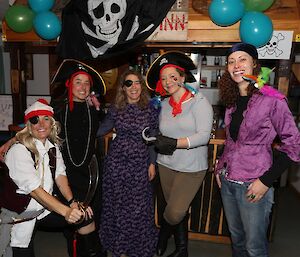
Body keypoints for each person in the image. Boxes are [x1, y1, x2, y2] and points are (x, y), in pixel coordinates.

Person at [0, 59, 107, 257]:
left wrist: (74, 201)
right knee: (68, 230)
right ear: (69, 84)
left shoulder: (94, 111)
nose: (82, 87)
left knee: (88, 220)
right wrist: (12, 140)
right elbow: (34, 124)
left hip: (83, 175)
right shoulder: (56, 109)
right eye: (78, 82)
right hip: (56, 184)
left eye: (86, 83)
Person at [215, 42, 300, 257]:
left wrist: (266, 181)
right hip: (228, 182)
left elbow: (294, 145)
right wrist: (220, 167)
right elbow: (232, 142)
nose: (236, 65)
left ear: (254, 64)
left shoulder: (272, 101)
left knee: (254, 248)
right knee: (237, 241)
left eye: (242, 59)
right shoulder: (231, 101)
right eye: (231, 61)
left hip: (254, 184)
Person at [145, 51, 214, 257]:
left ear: (183, 78)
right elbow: (159, 132)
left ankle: (163, 236)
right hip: (166, 165)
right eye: (164, 79)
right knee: (177, 210)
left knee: (174, 212)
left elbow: (204, 136)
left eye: (173, 77)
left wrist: (176, 143)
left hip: (192, 167)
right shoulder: (163, 105)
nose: (168, 82)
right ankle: (182, 249)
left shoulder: (199, 101)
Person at [2, 99, 83, 257]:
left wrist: (72, 202)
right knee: (20, 251)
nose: (41, 124)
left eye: (46, 118)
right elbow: (35, 191)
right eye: (35, 120)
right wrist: (66, 211)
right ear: (29, 126)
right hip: (15, 218)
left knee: (83, 218)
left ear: (52, 123)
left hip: (40, 211)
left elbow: (60, 176)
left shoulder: (52, 149)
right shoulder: (19, 151)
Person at [97, 69, 159, 257]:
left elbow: (153, 138)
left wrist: (152, 163)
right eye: (128, 83)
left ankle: (137, 248)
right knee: (117, 205)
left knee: (138, 207)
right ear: (123, 88)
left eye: (137, 82)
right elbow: (100, 130)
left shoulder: (151, 109)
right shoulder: (116, 109)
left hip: (140, 163)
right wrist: (92, 112)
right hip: (116, 164)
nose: (133, 87)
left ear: (142, 85)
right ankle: (120, 247)